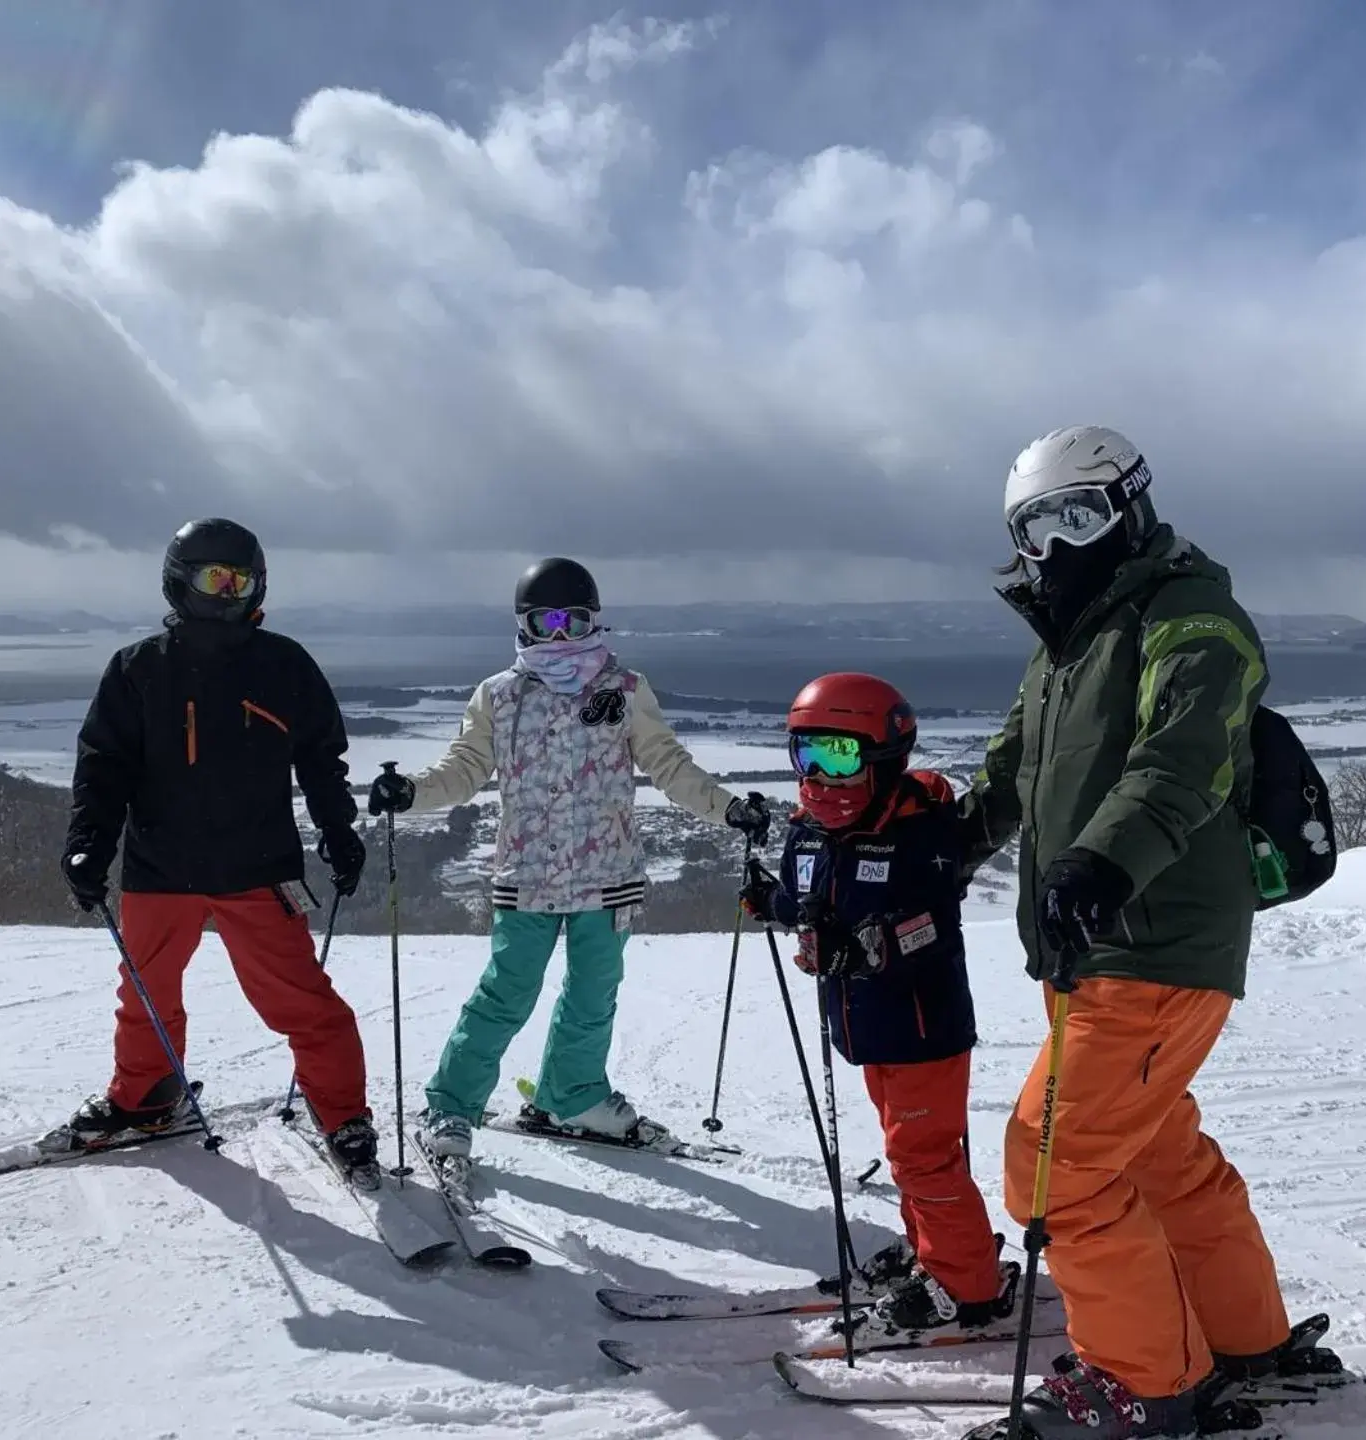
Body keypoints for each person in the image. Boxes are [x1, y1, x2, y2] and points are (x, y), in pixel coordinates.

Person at [956, 426, 1335, 1438]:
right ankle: (1242, 1335)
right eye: (1036, 527)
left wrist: (1106, 858)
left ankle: (1144, 1382)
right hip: (1093, 941)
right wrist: (960, 838)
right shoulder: (1070, 646)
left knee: (1055, 1161)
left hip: (1153, 933)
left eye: (1079, 515)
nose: (1059, 544)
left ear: (1131, 506)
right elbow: (1014, 764)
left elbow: (1183, 755)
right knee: (1156, 1152)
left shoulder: (1192, 617)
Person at [368, 557, 773, 1159]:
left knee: (592, 995)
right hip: (526, 877)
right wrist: (412, 794)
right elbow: (465, 768)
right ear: (524, 624)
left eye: (573, 620)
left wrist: (727, 808)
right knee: (506, 992)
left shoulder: (625, 690)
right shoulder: (499, 697)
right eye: (546, 620)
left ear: (594, 622)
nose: (560, 635)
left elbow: (668, 765)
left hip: (608, 878)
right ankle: (452, 1104)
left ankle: (573, 1093)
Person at [59, 518, 378, 1181]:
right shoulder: (138, 669)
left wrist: (338, 832)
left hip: (256, 868)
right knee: (146, 991)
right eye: (215, 578)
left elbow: (322, 760)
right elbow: (104, 767)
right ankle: (146, 1096)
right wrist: (89, 846)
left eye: (242, 580)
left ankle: (344, 1114)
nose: (228, 592)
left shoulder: (283, 665)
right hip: (158, 867)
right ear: (180, 581)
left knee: (301, 1000)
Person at [739, 672, 1008, 1335]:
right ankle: (934, 1254)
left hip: (922, 1026)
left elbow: (932, 925)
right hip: (864, 1027)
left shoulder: (918, 834)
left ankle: (966, 1286)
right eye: (808, 756)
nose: (821, 778)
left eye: (840, 757)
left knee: (924, 1155)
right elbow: (809, 904)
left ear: (884, 760)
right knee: (909, 1152)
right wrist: (768, 901)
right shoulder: (810, 831)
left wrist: (867, 947)